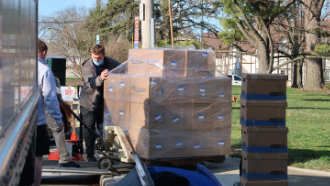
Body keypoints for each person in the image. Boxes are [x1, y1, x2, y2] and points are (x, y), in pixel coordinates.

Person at [36, 39, 79, 185]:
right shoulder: (44, 70)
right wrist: (58, 118)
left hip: (24, 117)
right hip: (42, 113)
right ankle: (64, 158)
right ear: (44, 52)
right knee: (57, 130)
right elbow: (49, 97)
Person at [80, 44, 120, 162]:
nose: (96, 60)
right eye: (94, 58)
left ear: (104, 55)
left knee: (106, 129)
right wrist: (101, 78)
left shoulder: (111, 63)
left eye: (99, 58)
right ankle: (90, 155)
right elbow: (91, 83)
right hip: (89, 102)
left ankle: (107, 154)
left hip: (105, 102)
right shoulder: (87, 66)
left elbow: (123, 69)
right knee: (89, 128)